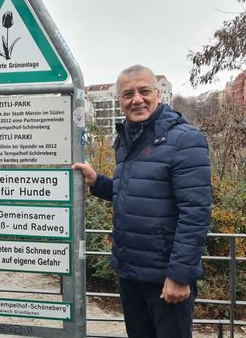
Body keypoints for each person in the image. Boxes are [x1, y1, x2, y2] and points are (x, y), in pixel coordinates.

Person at [73, 65, 211, 338]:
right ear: (120, 101)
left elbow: (195, 212)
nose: (136, 99)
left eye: (143, 91)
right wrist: (97, 181)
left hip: (165, 278)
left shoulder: (184, 139)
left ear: (158, 95)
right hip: (131, 273)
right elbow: (135, 193)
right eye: (127, 94)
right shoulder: (127, 138)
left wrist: (180, 276)